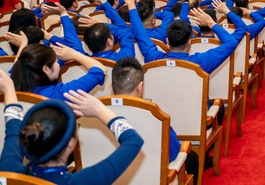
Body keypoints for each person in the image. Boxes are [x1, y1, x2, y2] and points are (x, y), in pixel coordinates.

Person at [0, 68, 143, 184]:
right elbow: (133, 141)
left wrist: (9, 89)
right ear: (70, 144)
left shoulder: (9, 170)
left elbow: (13, 128)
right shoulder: (84, 181)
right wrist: (100, 110)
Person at [110, 57, 199, 179]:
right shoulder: (156, 117)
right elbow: (173, 153)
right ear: (141, 87)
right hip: (150, 178)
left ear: (111, 87)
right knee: (192, 158)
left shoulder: (91, 116)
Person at [9, 37, 107, 100]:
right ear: (46, 69)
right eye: (55, 61)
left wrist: (23, 45)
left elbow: (18, 65)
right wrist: (74, 54)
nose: (58, 64)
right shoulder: (58, 94)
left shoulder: (10, 86)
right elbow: (100, 70)